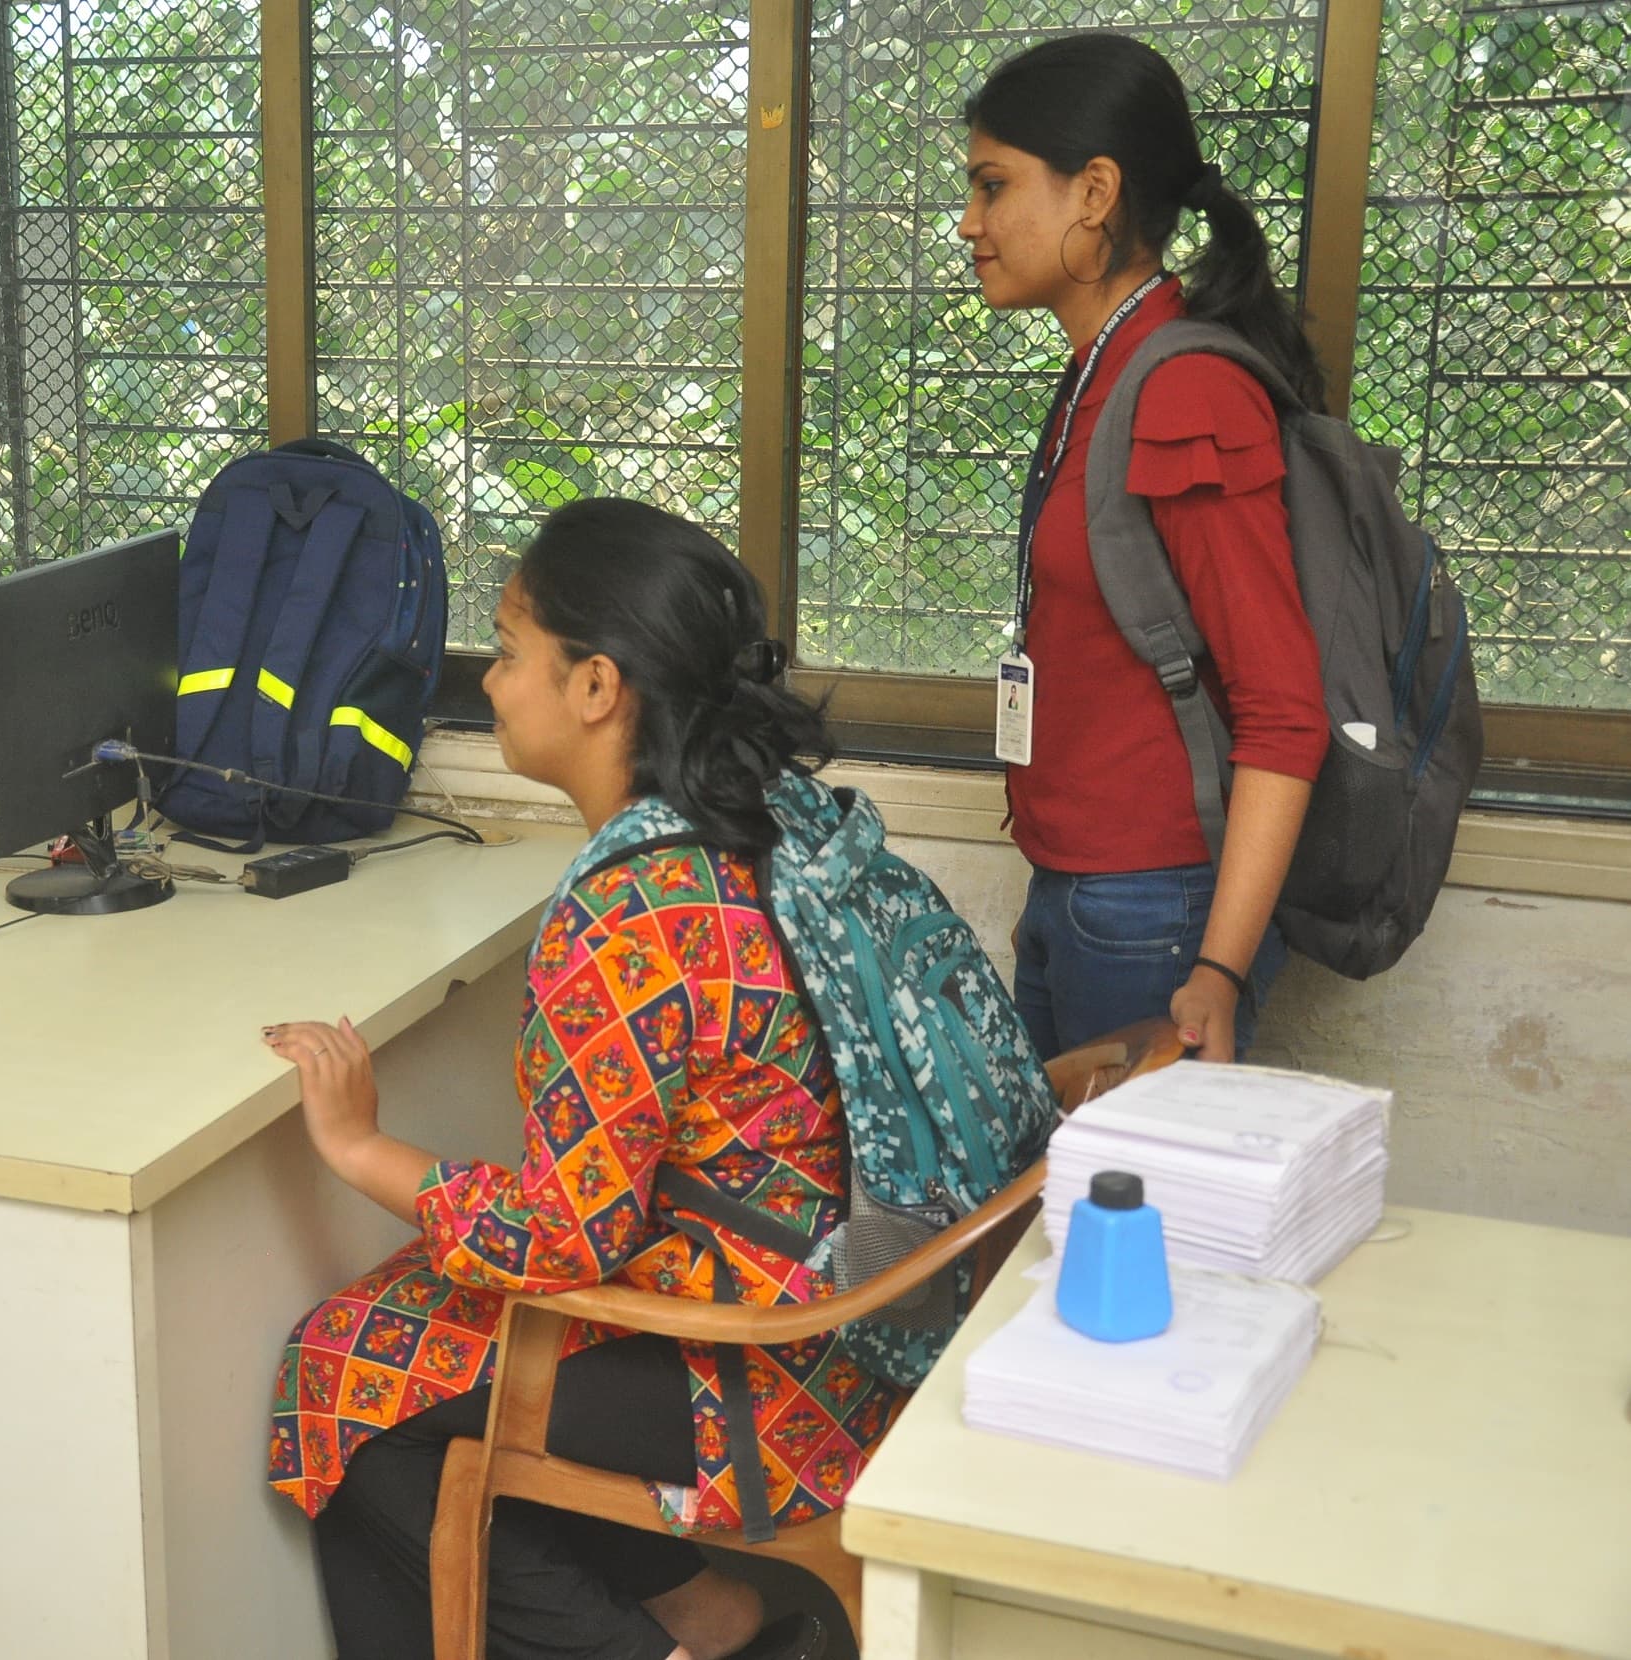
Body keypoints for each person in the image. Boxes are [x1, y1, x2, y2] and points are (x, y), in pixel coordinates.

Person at [262, 500, 896, 1660]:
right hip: (866, 1303)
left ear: (597, 686)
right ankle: (707, 1614)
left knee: (343, 1378)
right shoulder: (773, 819)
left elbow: (565, 1240)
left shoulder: (629, 914)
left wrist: (360, 1146)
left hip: (763, 1358)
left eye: (509, 651)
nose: (492, 682)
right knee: (402, 1333)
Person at [958, 33, 1329, 1063]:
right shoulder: (1104, 368)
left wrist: (1214, 970)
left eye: (993, 187)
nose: (969, 223)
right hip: (1075, 887)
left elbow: (1283, 709)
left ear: (1094, 192)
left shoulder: (1183, 390)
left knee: (1117, 1220)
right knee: (1049, 1212)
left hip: (1149, 913)